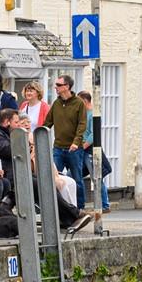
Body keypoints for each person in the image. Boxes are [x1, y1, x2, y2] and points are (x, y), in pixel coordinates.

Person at [48, 75, 89, 210]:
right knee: (54, 177)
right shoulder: (56, 103)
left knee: (77, 179)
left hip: (74, 149)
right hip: (58, 148)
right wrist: (37, 137)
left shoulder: (79, 103)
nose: (56, 87)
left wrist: (76, 142)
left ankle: (80, 208)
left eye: (59, 85)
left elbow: (82, 124)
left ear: (67, 87)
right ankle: (58, 207)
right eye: (56, 85)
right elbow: (48, 122)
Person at [80, 90, 109, 212]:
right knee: (74, 176)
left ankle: (105, 205)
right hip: (82, 150)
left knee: (96, 177)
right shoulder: (83, 114)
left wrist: (84, 146)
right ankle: (79, 205)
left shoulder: (92, 114)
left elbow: (93, 134)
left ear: (85, 101)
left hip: (89, 151)